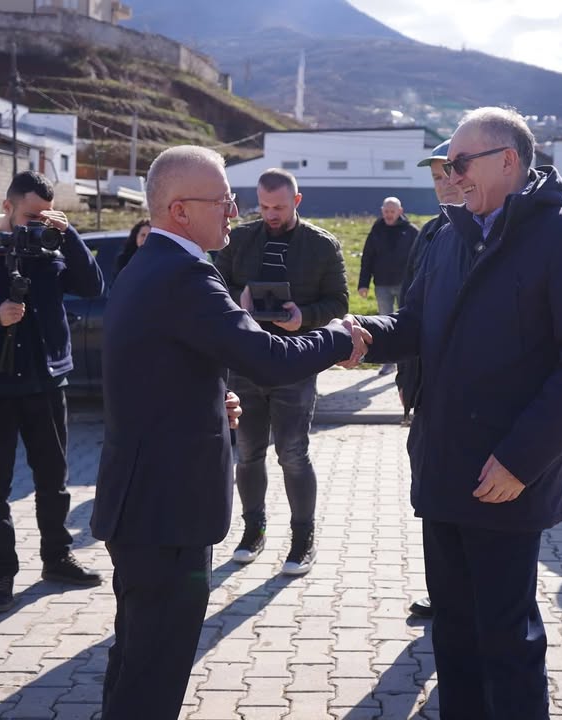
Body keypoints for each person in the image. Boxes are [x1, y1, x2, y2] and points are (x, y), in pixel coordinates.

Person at [350, 107, 562, 720]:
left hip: (506, 477)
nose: (452, 173)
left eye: (461, 162)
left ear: (508, 161)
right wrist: (362, 336)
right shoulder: (448, 236)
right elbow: (414, 324)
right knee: (454, 632)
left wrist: (522, 460)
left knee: (507, 639)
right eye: (448, 163)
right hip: (444, 468)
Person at [90, 146, 365, 720]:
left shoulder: (151, 264)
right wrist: (339, 337)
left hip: (142, 503)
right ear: (182, 209)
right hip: (166, 514)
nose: (234, 212)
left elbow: (154, 368)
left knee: (136, 657)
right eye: (224, 201)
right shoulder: (184, 273)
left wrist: (211, 401)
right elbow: (264, 356)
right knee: (153, 674)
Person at [0, 170, 106, 613]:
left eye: (46, 217)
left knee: (54, 481)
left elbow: (94, 287)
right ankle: (2, 573)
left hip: (46, 382)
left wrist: (70, 237)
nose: (37, 225)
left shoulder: (51, 248)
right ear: (6, 206)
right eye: (31, 215)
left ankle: (57, 558)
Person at [214, 169, 349, 575]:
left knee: (292, 453)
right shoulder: (238, 240)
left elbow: (339, 304)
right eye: (265, 206)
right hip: (247, 361)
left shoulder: (322, 246)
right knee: (249, 453)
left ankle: (302, 540)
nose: (271, 214)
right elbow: (215, 287)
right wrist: (239, 300)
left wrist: (302, 317)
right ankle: (253, 531)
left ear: (297, 201)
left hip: (295, 360)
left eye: (280, 207)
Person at [403, 138, 463, 621]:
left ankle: (466, 602)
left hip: (466, 402)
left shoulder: (495, 236)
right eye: (436, 177)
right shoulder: (428, 235)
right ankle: (442, 593)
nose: (442, 186)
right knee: (429, 500)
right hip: (426, 395)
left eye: (449, 174)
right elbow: (411, 312)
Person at [358, 197, 418, 375]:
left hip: (405, 285)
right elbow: (367, 258)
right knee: (385, 325)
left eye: (392, 211)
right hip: (382, 284)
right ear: (382, 210)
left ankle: (408, 363)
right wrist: (363, 284)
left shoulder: (411, 231)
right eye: (386, 211)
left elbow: (419, 259)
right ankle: (389, 363)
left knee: (408, 324)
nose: (389, 215)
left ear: (400, 211)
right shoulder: (376, 231)